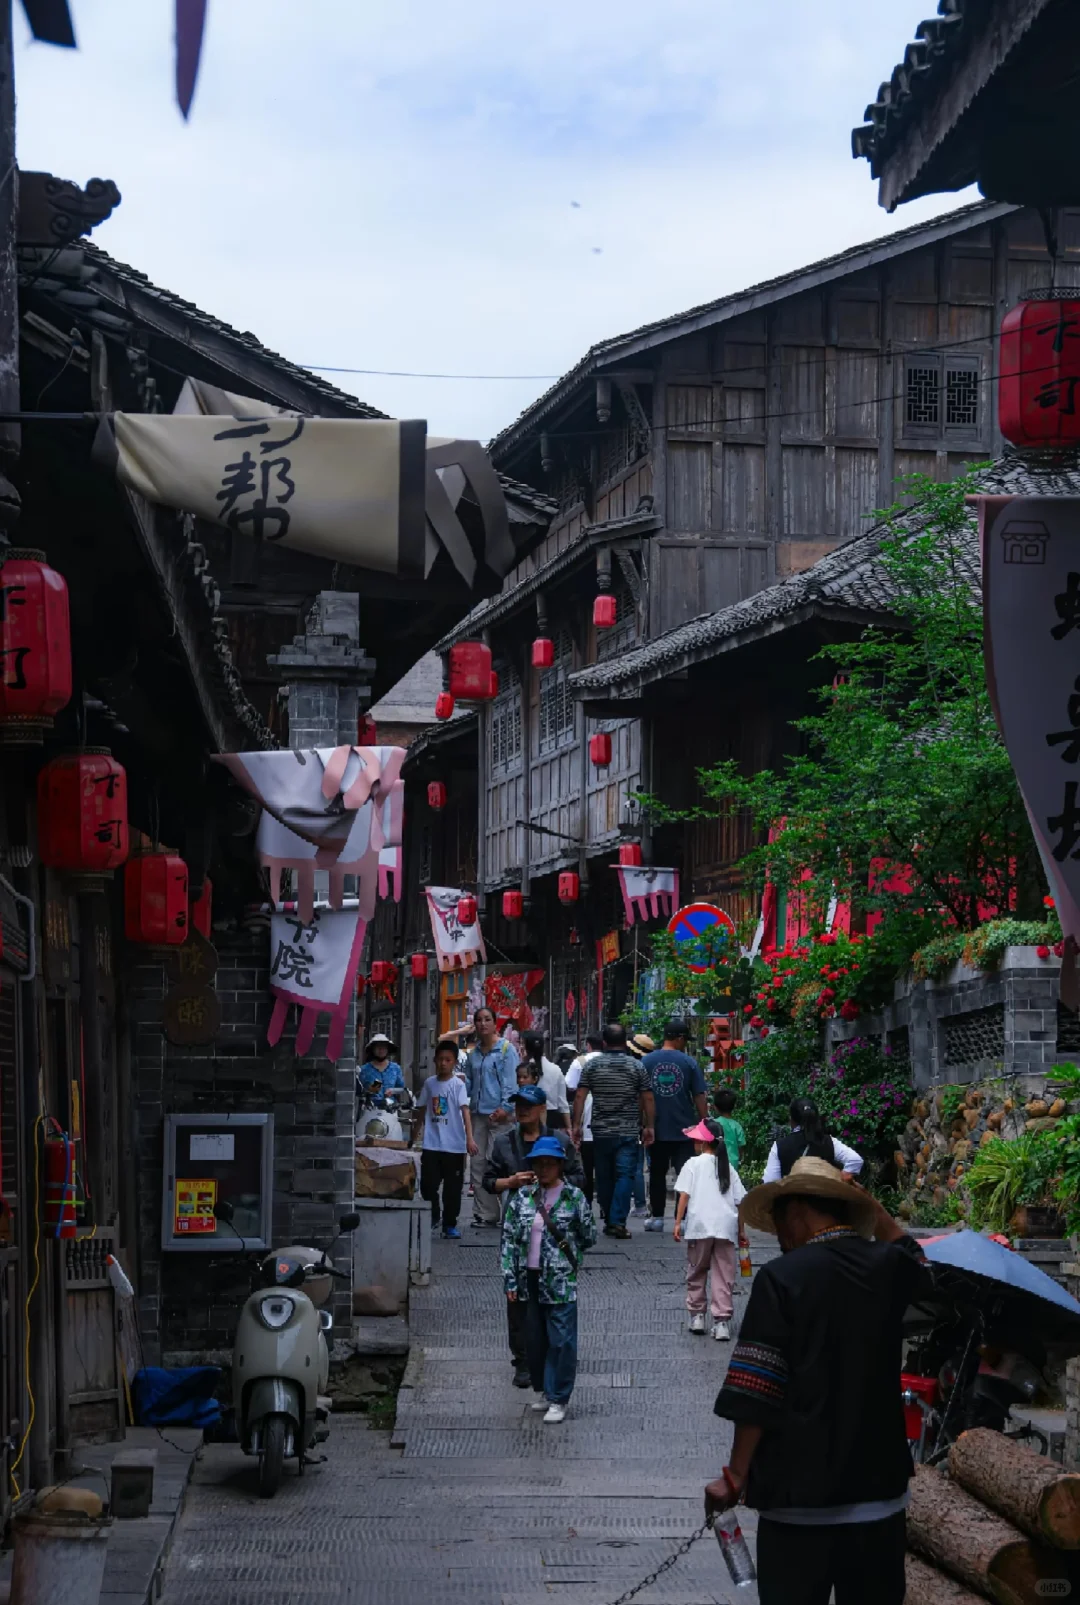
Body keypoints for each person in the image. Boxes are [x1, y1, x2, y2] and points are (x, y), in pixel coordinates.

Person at [705, 1158, 930, 1605]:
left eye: (779, 1224)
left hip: (797, 1502)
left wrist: (735, 1475)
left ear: (797, 1211)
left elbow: (757, 1388)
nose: (781, 1239)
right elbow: (921, 1266)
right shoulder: (889, 1266)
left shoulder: (782, 1278)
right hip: (878, 1496)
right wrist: (876, 1212)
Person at [484, 1084, 585, 1388]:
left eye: (528, 1105)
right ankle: (522, 1361)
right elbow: (488, 1181)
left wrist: (553, 1177)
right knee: (517, 1299)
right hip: (518, 1231)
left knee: (553, 1301)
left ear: (542, 1109)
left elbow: (580, 1178)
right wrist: (510, 1182)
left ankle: (550, 1357)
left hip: (554, 1236)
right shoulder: (504, 1143)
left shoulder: (560, 1141)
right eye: (519, 1105)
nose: (522, 1110)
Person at [500, 1135, 597, 1424]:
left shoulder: (574, 1197)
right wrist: (509, 1279)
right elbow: (509, 1239)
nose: (543, 1169)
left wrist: (569, 1256)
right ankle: (544, 1389)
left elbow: (588, 1235)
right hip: (527, 1277)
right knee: (535, 1339)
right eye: (538, 1164)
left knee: (562, 1339)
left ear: (560, 1166)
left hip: (560, 1278)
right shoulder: (522, 1197)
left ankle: (559, 1397)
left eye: (549, 1164)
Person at [572, 1023, 654, 1239]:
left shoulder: (592, 1065)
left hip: (600, 1130)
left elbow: (580, 1096)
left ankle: (609, 1217)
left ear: (605, 1042)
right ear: (625, 1042)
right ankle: (617, 1221)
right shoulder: (636, 1066)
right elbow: (647, 1097)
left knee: (604, 1175)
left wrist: (576, 1125)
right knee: (625, 1174)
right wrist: (649, 1126)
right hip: (628, 1129)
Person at [673, 1118, 747, 1341]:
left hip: (700, 1226)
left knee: (696, 1270)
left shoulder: (693, 1164)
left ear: (703, 1142)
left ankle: (697, 1316)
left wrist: (677, 1222)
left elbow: (684, 1195)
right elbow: (740, 1202)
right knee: (724, 1274)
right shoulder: (728, 1167)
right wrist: (741, 1231)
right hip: (726, 1227)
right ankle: (721, 1322)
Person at [640, 1019, 707, 1232]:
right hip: (685, 1128)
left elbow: (640, 1096)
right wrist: (704, 1122)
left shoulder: (646, 1062)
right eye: (685, 1040)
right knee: (685, 1175)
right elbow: (699, 1095)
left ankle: (657, 1217)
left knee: (657, 1174)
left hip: (656, 1128)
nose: (685, 1044)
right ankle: (684, 1219)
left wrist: (643, 1123)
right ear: (679, 1039)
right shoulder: (689, 1063)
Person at [411, 1039, 479, 1239]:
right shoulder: (429, 1084)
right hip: (432, 1144)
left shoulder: (458, 1085)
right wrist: (413, 1137)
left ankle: (450, 1224)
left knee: (453, 1188)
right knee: (428, 1184)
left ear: (454, 1062)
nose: (443, 1063)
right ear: (435, 1060)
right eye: (440, 1059)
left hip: (454, 1146)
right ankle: (434, 1215)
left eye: (448, 1060)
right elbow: (421, 1111)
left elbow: (465, 1112)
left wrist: (469, 1139)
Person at [464, 1007, 519, 1226]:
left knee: (500, 1163)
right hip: (478, 1115)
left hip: (500, 1117)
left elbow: (511, 1082)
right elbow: (469, 1083)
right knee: (478, 1163)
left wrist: (506, 1108)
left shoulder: (506, 1050)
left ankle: (510, 1212)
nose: (483, 1024)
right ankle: (486, 1213)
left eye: (487, 1019)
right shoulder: (474, 1054)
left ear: (495, 1023)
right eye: (479, 1020)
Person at [762, 1095, 864, 1181]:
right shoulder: (829, 1141)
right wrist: (840, 1180)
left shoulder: (779, 1146)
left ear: (791, 1120)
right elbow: (855, 1160)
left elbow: (770, 1181)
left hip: (792, 1197)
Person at [564, 1039, 600, 1207]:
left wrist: (575, 1125)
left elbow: (570, 1086)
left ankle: (587, 1202)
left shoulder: (580, 1062)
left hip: (587, 1119)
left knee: (587, 1166)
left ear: (588, 1045)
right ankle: (605, 1206)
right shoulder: (617, 1061)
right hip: (611, 1124)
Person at [521, 1030, 571, 1131]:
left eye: (522, 1043)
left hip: (530, 1117)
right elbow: (563, 1104)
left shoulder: (523, 1072)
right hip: (553, 1121)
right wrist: (569, 1127)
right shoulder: (555, 1069)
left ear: (526, 1048)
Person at [357, 1033, 405, 1097]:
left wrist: (392, 1090)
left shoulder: (395, 1068)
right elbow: (359, 1091)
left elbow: (401, 1088)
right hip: (371, 1103)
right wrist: (372, 1090)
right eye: (378, 1047)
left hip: (391, 1102)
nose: (381, 1050)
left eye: (384, 1047)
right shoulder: (364, 1070)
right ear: (373, 1049)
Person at [712, 1087, 747, 1169]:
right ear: (733, 1107)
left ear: (715, 1107)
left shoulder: (713, 1124)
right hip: (733, 1163)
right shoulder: (737, 1126)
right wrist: (739, 1158)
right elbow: (741, 1146)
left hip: (716, 1162)